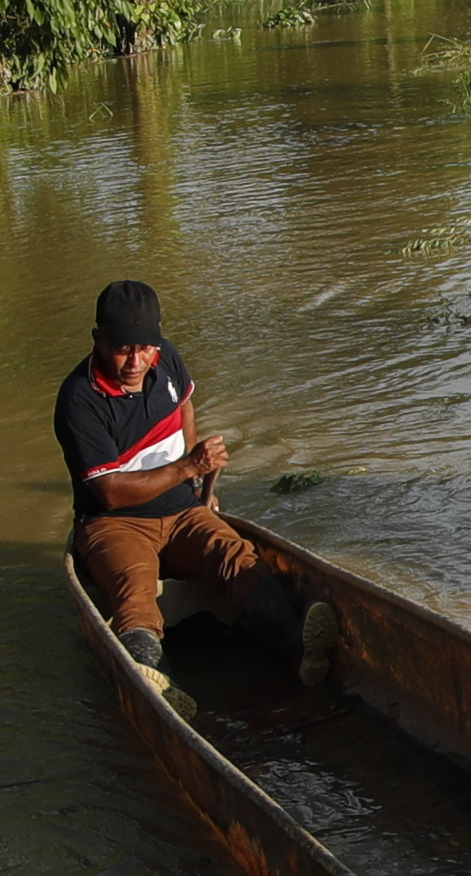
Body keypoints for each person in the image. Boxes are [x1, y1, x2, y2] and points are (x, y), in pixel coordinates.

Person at [58, 277, 309, 677]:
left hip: (180, 510)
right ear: (98, 340)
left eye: (145, 348)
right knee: (136, 590)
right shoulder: (79, 399)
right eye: (123, 350)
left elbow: (185, 406)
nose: (136, 362)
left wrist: (195, 490)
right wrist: (189, 467)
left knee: (237, 557)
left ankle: (299, 647)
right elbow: (109, 493)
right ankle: (156, 685)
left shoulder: (166, 359)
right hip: (114, 524)